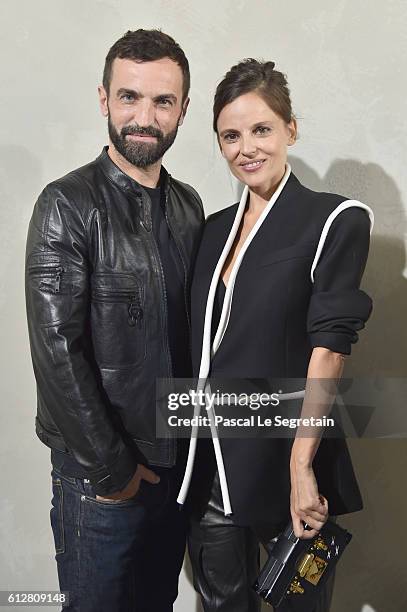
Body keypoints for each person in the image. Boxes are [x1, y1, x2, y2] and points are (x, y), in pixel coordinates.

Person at [176, 59, 374, 611]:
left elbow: (329, 350)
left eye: (261, 129)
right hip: (210, 470)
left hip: (288, 466)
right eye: (230, 136)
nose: (247, 148)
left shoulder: (335, 220)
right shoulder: (210, 231)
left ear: (291, 128)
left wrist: (300, 466)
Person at [25, 29, 204, 612]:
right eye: (129, 97)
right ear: (103, 99)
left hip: (177, 468)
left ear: (183, 108)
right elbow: (57, 350)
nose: (144, 117)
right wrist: (113, 470)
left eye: (162, 101)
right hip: (100, 478)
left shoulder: (189, 205)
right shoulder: (66, 204)